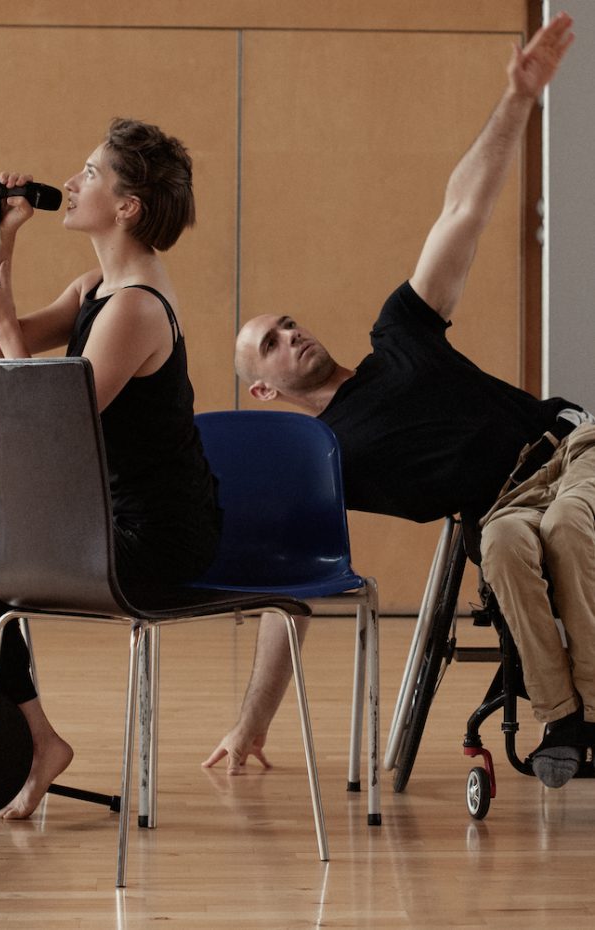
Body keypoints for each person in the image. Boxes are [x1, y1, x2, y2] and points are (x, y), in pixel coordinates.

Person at [208, 12, 594, 789]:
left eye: (289, 324)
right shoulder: (322, 460)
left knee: (562, 525)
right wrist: (251, 723)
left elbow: (461, 212)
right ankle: (567, 721)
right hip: (500, 507)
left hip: (569, 451)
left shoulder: (400, 334)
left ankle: (583, 709)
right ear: (263, 389)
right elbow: (290, 587)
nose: (292, 338)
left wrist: (518, 100)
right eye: (271, 345)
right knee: (510, 547)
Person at [0, 118, 222, 818]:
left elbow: (55, 429)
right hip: (111, 523)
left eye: (90, 173)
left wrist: (3, 331)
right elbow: (17, 335)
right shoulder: (96, 285)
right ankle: (36, 742)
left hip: (157, 539)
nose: (71, 182)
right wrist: (5, 235)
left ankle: (31, 744)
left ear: (127, 206)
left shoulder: (136, 309)